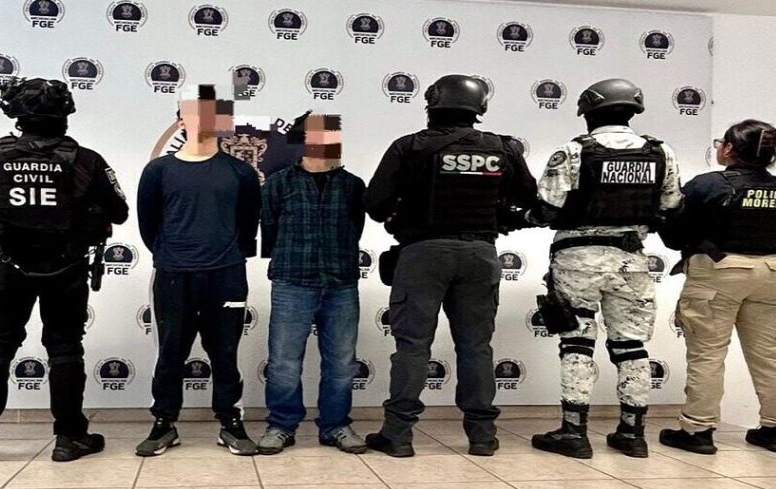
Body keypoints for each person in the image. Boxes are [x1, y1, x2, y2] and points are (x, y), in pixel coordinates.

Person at [0, 78, 129, 465]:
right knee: (65, 349)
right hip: (66, 269)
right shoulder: (86, 160)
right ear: (65, 114)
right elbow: (119, 212)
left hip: (6, 267)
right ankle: (69, 438)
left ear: (16, 116)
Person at [364, 74, 538, 458]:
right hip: (480, 255)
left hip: (423, 254)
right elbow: (530, 201)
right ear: (479, 107)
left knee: (412, 347)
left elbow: (375, 205)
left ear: (432, 103)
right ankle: (482, 436)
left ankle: (398, 436)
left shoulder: (409, 147)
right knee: (476, 346)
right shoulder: (503, 149)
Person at [527, 78, 681, 459]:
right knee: (631, 346)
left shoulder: (574, 152)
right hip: (632, 261)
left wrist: (523, 217)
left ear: (589, 112)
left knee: (576, 341)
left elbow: (546, 208)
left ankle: (573, 433)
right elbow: (672, 207)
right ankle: (632, 434)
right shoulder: (661, 152)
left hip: (578, 260)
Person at [658, 121, 776, 455]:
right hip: (772, 272)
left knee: (708, 354)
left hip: (719, 271)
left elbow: (674, 234)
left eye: (722, 142)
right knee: (769, 355)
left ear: (730, 149)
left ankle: (698, 430)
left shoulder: (708, 184)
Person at [135, 86, 261, 456]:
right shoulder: (158, 171)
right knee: (171, 351)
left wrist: (226, 254)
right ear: (180, 121)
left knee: (225, 351)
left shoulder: (240, 172)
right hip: (174, 274)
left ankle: (230, 422)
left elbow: (248, 224)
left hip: (226, 275)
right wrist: (174, 254)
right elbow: (148, 226)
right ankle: (164, 423)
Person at [257, 112, 368, 455]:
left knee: (341, 362)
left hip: (341, 283)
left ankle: (335, 426)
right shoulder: (278, 183)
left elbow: (356, 228)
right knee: (284, 362)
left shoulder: (353, 185)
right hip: (291, 281)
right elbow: (270, 230)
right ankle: (281, 425)